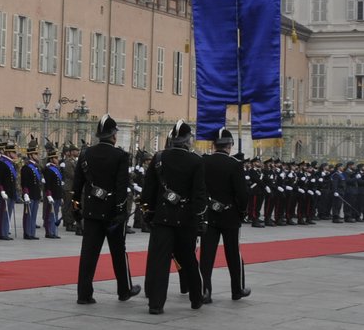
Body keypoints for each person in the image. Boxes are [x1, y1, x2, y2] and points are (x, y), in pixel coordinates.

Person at [70, 115, 140, 304]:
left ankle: (84, 294)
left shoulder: (85, 154)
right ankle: (124, 290)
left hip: (91, 211)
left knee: (88, 255)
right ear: (114, 135)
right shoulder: (120, 156)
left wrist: (76, 209)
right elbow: (121, 187)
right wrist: (120, 211)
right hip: (112, 213)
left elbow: (77, 187)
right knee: (118, 253)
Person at [140, 120, 207, 314]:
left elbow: (149, 190)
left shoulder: (159, 157)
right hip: (186, 219)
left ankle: (156, 303)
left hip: (162, 217)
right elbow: (199, 195)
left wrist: (149, 212)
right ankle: (196, 298)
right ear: (187, 140)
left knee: (158, 261)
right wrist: (199, 218)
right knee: (189, 260)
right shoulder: (196, 161)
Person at [199, 127, 251, 302]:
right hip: (230, 215)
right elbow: (242, 193)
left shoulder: (203, 162)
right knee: (233, 254)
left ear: (214, 145)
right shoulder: (235, 165)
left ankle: (205, 290)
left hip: (209, 214)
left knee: (207, 254)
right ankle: (237, 289)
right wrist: (242, 211)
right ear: (229, 145)